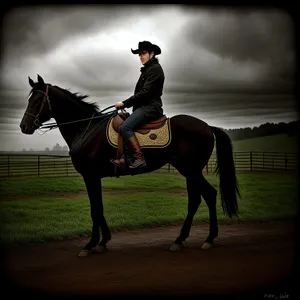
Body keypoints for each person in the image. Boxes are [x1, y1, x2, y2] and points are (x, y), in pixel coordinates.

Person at [111, 41, 165, 169]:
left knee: (125, 127)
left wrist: (124, 103)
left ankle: (139, 158)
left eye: (143, 53)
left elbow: (145, 93)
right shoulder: (148, 70)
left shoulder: (155, 70)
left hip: (150, 108)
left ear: (151, 54)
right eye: (139, 54)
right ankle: (125, 157)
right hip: (144, 107)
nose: (141, 57)